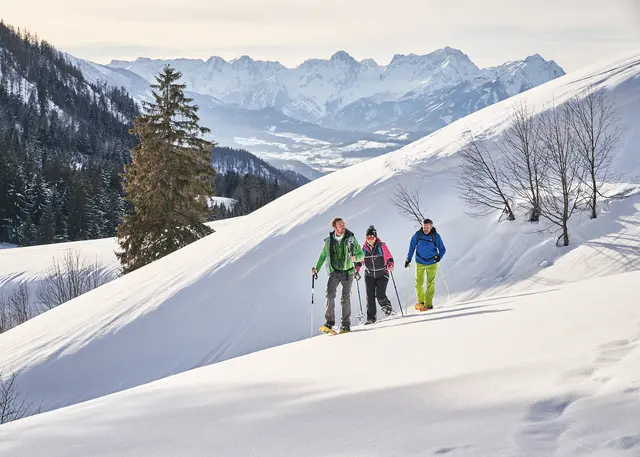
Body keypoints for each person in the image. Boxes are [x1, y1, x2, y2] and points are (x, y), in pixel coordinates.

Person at [312, 217, 365, 334]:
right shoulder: (328, 241)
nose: (343, 226)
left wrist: (357, 258)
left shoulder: (351, 238)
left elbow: (362, 254)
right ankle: (329, 323)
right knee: (329, 294)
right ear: (334, 227)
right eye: (340, 225)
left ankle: (345, 325)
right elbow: (322, 256)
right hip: (334, 272)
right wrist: (317, 268)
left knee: (345, 298)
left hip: (348, 272)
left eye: (343, 224)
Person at [355, 225, 395, 325]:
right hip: (369, 275)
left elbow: (389, 256)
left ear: (375, 237)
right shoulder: (364, 248)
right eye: (367, 238)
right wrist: (356, 270)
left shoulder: (381, 245)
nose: (369, 240)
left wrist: (390, 264)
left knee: (380, 294)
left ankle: (387, 306)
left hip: (382, 273)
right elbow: (360, 261)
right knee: (370, 296)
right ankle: (371, 318)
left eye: (372, 237)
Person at [405, 218, 446, 311]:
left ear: (431, 227)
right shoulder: (417, 235)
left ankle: (428, 304)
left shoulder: (436, 236)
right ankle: (421, 302)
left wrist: (439, 257)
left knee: (430, 284)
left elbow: (443, 249)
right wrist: (408, 258)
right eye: (424, 227)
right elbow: (412, 247)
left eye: (427, 227)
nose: (425, 229)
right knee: (418, 283)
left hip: (432, 263)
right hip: (419, 262)